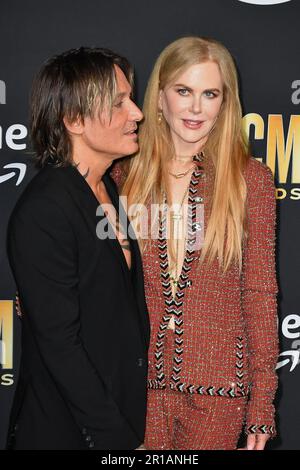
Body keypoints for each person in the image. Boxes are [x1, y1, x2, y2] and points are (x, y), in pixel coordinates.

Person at [116, 36, 279, 450]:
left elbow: (259, 293)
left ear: (225, 103)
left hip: (219, 391)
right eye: (183, 91)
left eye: (210, 94)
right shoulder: (121, 176)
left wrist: (262, 403)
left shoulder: (250, 181)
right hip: (137, 385)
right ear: (158, 96)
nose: (195, 108)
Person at [6, 47, 149, 450]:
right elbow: (60, 348)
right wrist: (117, 439)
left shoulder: (107, 188)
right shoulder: (46, 210)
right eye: (119, 103)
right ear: (74, 120)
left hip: (121, 418)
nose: (136, 113)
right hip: (69, 433)